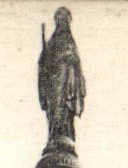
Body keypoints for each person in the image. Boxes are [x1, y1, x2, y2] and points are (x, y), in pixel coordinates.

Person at [38, 8, 86, 146]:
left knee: (64, 111)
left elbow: (76, 65)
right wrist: (43, 58)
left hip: (66, 82)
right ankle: (54, 135)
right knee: (54, 110)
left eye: (64, 19)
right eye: (59, 19)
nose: (61, 21)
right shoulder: (52, 43)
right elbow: (43, 64)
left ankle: (64, 135)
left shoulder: (69, 42)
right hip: (53, 84)